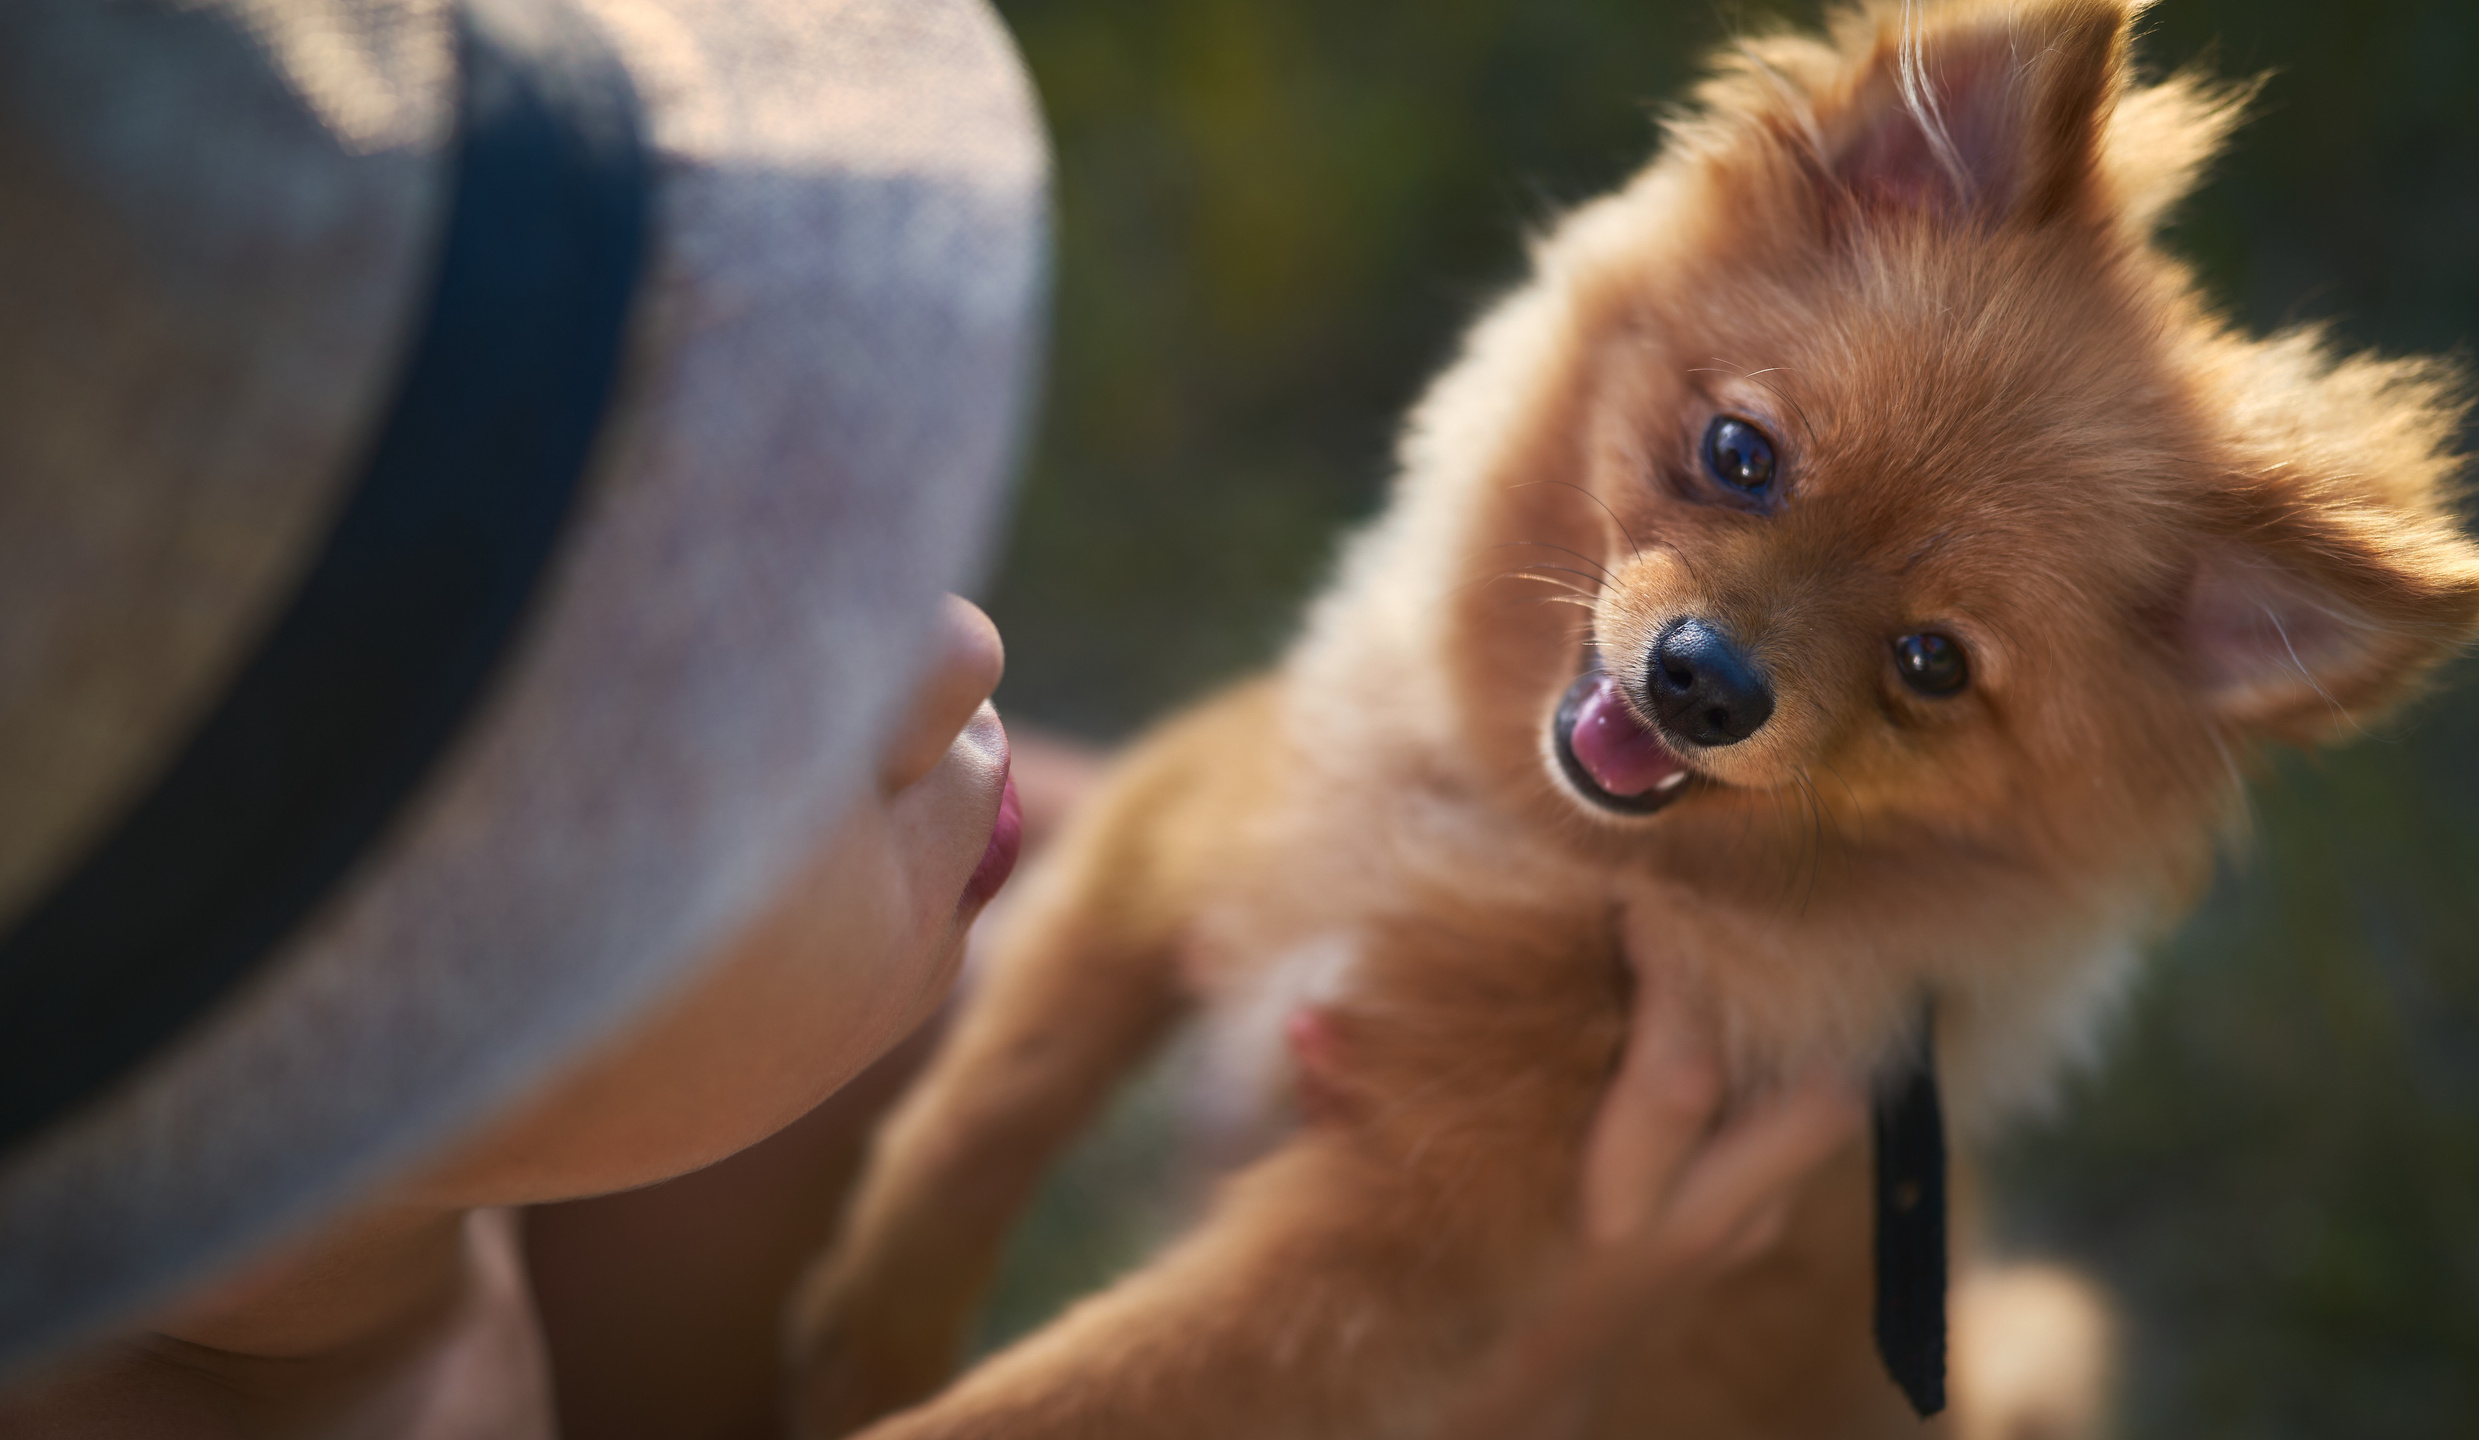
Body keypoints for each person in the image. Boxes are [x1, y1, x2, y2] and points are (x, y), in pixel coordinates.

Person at [0, 0, 1858, 1435]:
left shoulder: (278, 1134)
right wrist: (1497, 1358)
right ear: (305, 1070)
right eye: (729, 718)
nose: (956, 648)